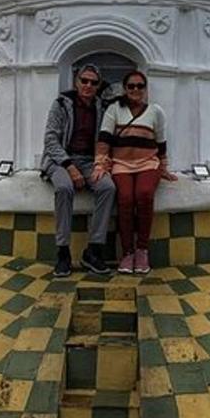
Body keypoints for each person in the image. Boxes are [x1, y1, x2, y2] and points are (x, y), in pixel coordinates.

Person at [95, 69, 176, 274]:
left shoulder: (155, 111)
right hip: (121, 164)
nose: (135, 90)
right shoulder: (115, 110)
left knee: (144, 194)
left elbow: (161, 142)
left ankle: (142, 249)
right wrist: (99, 164)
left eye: (140, 86)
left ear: (146, 89)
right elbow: (104, 139)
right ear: (125, 88)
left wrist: (164, 168)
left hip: (148, 163)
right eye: (131, 86)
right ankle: (127, 252)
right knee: (125, 199)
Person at [42, 64, 115, 277]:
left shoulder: (101, 108)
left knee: (107, 187)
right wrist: (68, 165)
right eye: (84, 81)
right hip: (60, 159)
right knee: (64, 188)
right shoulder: (61, 104)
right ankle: (63, 251)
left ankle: (93, 249)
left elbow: (106, 137)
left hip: (88, 161)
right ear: (76, 81)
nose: (88, 86)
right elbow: (50, 139)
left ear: (98, 85)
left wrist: (102, 162)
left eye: (93, 82)